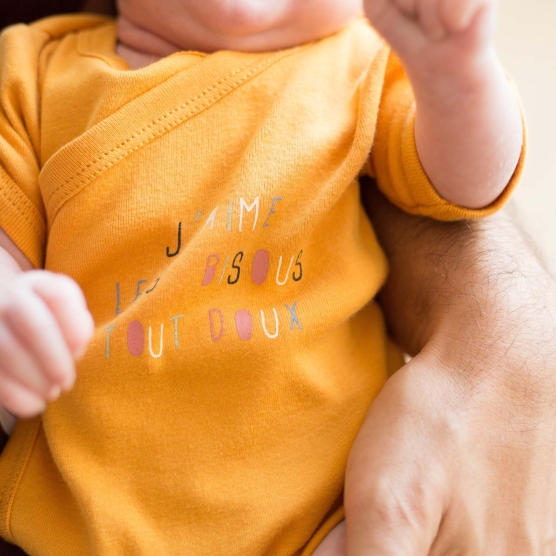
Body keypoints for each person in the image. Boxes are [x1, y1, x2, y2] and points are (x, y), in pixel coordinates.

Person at [0, 0, 531, 554]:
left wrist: (457, 78)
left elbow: (466, 190)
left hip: (326, 522)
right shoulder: (30, 70)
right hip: (82, 522)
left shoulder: (366, 61)